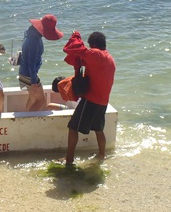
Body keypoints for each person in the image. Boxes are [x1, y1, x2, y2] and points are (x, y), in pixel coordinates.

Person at [62, 31, 116, 165]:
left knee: (73, 127)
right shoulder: (109, 58)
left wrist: (76, 35)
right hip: (103, 101)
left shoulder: (95, 54)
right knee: (99, 130)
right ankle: (101, 156)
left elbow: (76, 48)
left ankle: (69, 159)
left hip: (91, 100)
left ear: (94, 45)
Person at [18, 14, 64, 111]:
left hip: (23, 72)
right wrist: (34, 83)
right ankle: (28, 120)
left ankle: (26, 117)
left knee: (33, 98)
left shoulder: (29, 33)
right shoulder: (34, 41)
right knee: (42, 101)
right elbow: (31, 63)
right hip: (30, 76)